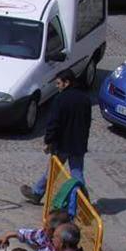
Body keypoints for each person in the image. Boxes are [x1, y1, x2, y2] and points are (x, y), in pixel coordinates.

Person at [22, 69, 91, 205]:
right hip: (78, 143)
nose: (57, 86)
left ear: (67, 83)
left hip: (62, 144)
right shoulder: (85, 99)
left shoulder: (60, 99)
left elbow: (54, 123)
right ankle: (82, 202)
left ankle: (37, 193)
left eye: (59, 83)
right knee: (77, 173)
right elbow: (87, 123)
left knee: (52, 171)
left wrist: (48, 141)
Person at [0, 209, 72, 251]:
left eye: (47, 226)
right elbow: (30, 235)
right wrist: (8, 235)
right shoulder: (45, 236)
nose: (44, 228)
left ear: (56, 231)